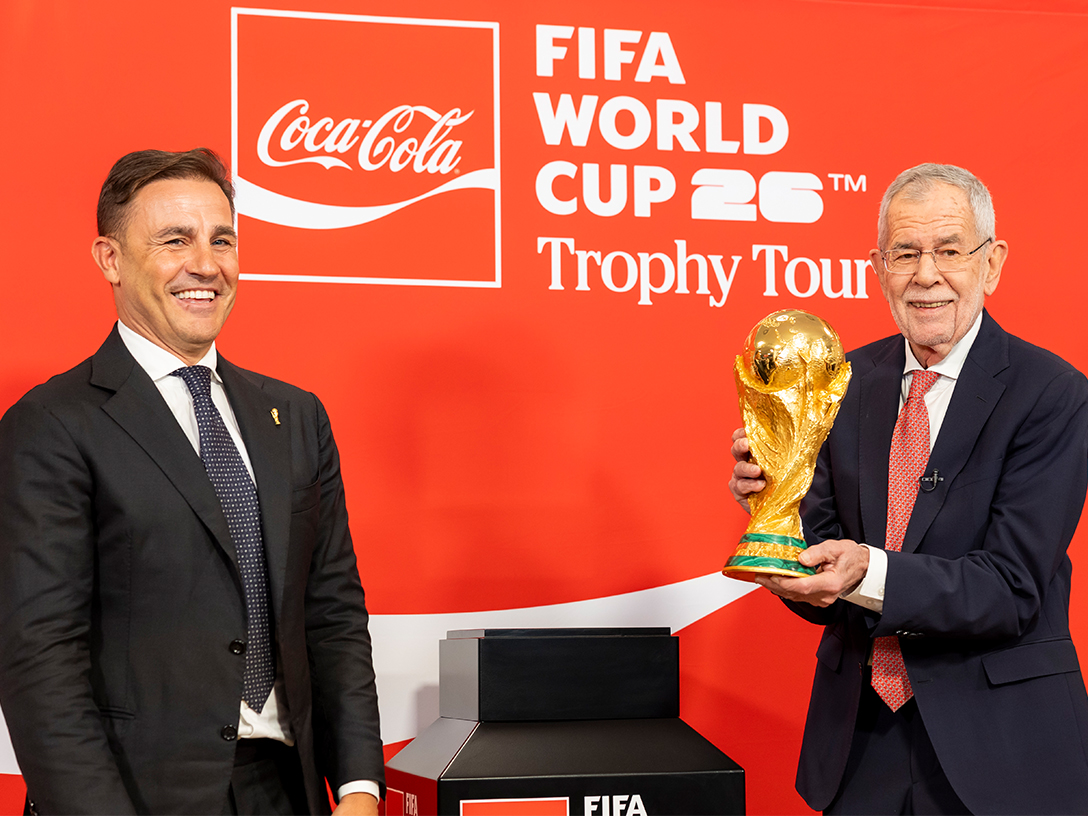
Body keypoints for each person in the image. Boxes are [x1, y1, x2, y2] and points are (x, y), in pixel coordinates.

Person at [0, 148, 384, 814]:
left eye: (222, 239)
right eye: (174, 240)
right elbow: (40, 660)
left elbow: (333, 616)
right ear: (110, 260)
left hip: (287, 792)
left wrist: (358, 788)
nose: (205, 264)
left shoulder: (296, 416)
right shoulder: (51, 424)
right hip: (135, 797)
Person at [729, 163, 1088, 814]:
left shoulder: (1052, 393)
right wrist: (774, 513)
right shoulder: (840, 383)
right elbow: (825, 586)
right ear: (877, 267)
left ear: (992, 263)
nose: (927, 275)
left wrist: (867, 569)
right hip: (860, 748)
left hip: (1002, 752)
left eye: (950, 250)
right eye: (905, 253)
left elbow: (1009, 588)